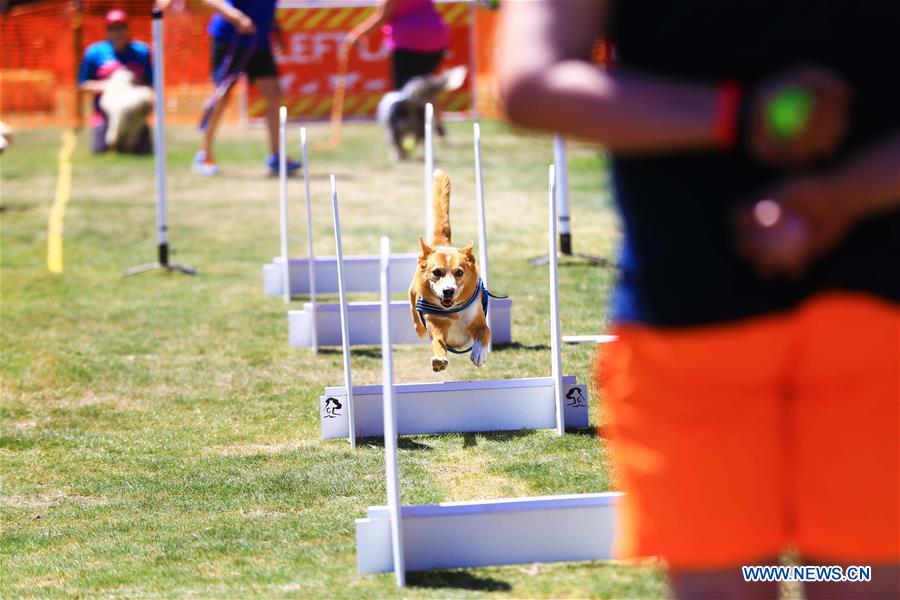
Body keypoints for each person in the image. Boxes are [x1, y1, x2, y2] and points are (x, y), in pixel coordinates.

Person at [498, 2, 899, 599]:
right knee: (860, 579)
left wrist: (736, 117)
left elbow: (532, 80)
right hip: (853, 318)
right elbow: (530, 85)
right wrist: (839, 194)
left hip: (698, 316)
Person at [195, 0, 299, 176]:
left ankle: (276, 156)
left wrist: (276, 29)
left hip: (259, 41)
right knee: (222, 95)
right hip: (229, 38)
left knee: (273, 93)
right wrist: (235, 16)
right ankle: (205, 154)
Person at [343, 0, 449, 132]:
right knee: (426, 85)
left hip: (408, 40)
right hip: (436, 37)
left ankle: (407, 130)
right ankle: (438, 127)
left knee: (404, 91)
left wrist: (356, 34)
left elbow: (382, 17)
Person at [78, 9, 153, 155]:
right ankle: (112, 139)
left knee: (141, 151)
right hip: (104, 113)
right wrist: (108, 86)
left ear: (127, 29)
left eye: (121, 28)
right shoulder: (94, 53)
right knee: (101, 150)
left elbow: (151, 85)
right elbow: (82, 85)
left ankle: (131, 140)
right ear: (107, 31)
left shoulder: (142, 52)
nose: (117, 33)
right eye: (113, 28)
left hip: (133, 112)